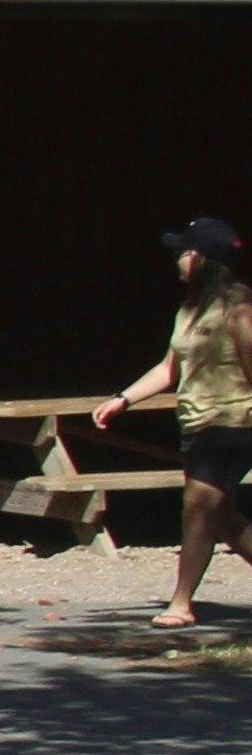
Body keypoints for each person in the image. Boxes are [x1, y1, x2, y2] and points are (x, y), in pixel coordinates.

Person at [94, 213, 252, 628]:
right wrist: (123, 398)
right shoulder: (189, 310)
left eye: (184, 252)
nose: (177, 260)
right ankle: (182, 599)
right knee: (224, 520)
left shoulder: (240, 312)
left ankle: (181, 603)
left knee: (198, 506)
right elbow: (169, 369)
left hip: (233, 424)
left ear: (203, 259)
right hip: (196, 424)